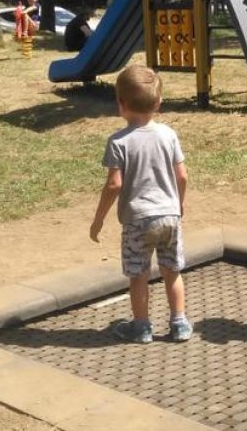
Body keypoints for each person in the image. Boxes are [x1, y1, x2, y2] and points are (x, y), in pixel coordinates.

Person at [89, 65, 191, 343]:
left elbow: (114, 184)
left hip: (138, 220)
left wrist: (98, 219)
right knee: (172, 271)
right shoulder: (168, 135)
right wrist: (178, 204)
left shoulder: (119, 141)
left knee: (139, 275)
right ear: (158, 103)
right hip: (169, 215)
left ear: (120, 104)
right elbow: (182, 175)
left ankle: (143, 326)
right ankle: (179, 323)